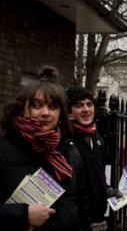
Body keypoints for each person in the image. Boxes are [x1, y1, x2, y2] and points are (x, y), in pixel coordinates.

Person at [0, 66, 81, 230]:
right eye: (37, 105)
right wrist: (23, 214)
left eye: (52, 107)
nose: (45, 113)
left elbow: (75, 206)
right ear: (24, 109)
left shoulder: (67, 152)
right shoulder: (3, 150)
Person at [66, 86, 117, 231]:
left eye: (89, 104)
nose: (86, 109)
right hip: (78, 222)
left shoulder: (97, 138)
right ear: (69, 111)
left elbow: (95, 174)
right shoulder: (65, 140)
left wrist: (106, 189)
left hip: (99, 220)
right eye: (78, 106)